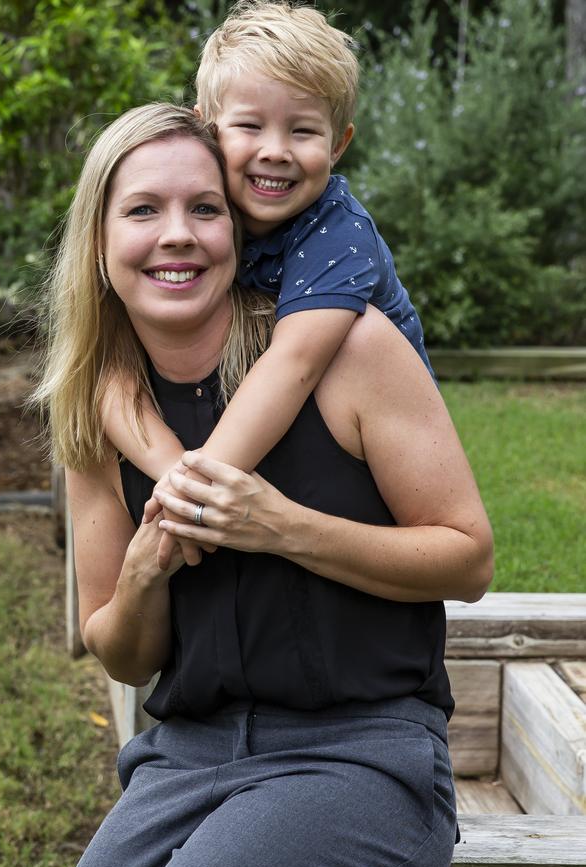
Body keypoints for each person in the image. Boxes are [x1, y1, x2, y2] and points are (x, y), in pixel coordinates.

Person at [18, 103, 493, 867]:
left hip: (360, 769)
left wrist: (283, 527)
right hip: (185, 764)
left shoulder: (350, 348)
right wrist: (144, 576)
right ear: (98, 241)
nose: (178, 237)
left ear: (239, 231)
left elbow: (469, 559)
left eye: (205, 209)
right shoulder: (95, 408)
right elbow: (117, 647)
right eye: (144, 210)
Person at [100, 1, 433, 573]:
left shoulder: (339, 233)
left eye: (303, 131)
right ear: (208, 126)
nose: (274, 150)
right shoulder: (208, 215)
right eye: (250, 126)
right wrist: (179, 479)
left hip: (370, 442)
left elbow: (296, 364)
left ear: (338, 144)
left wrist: (198, 499)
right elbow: (105, 379)